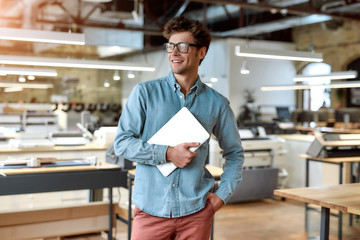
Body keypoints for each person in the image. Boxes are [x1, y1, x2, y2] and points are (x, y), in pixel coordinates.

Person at [114, 16, 244, 240]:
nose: (174, 53)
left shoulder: (217, 103)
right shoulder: (145, 93)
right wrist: (167, 153)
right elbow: (122, 144)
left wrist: (221, 196)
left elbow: (235, 154)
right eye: (170, 46)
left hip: (196, 213)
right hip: (150, 211)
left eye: (182, 47)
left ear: (201, 52)